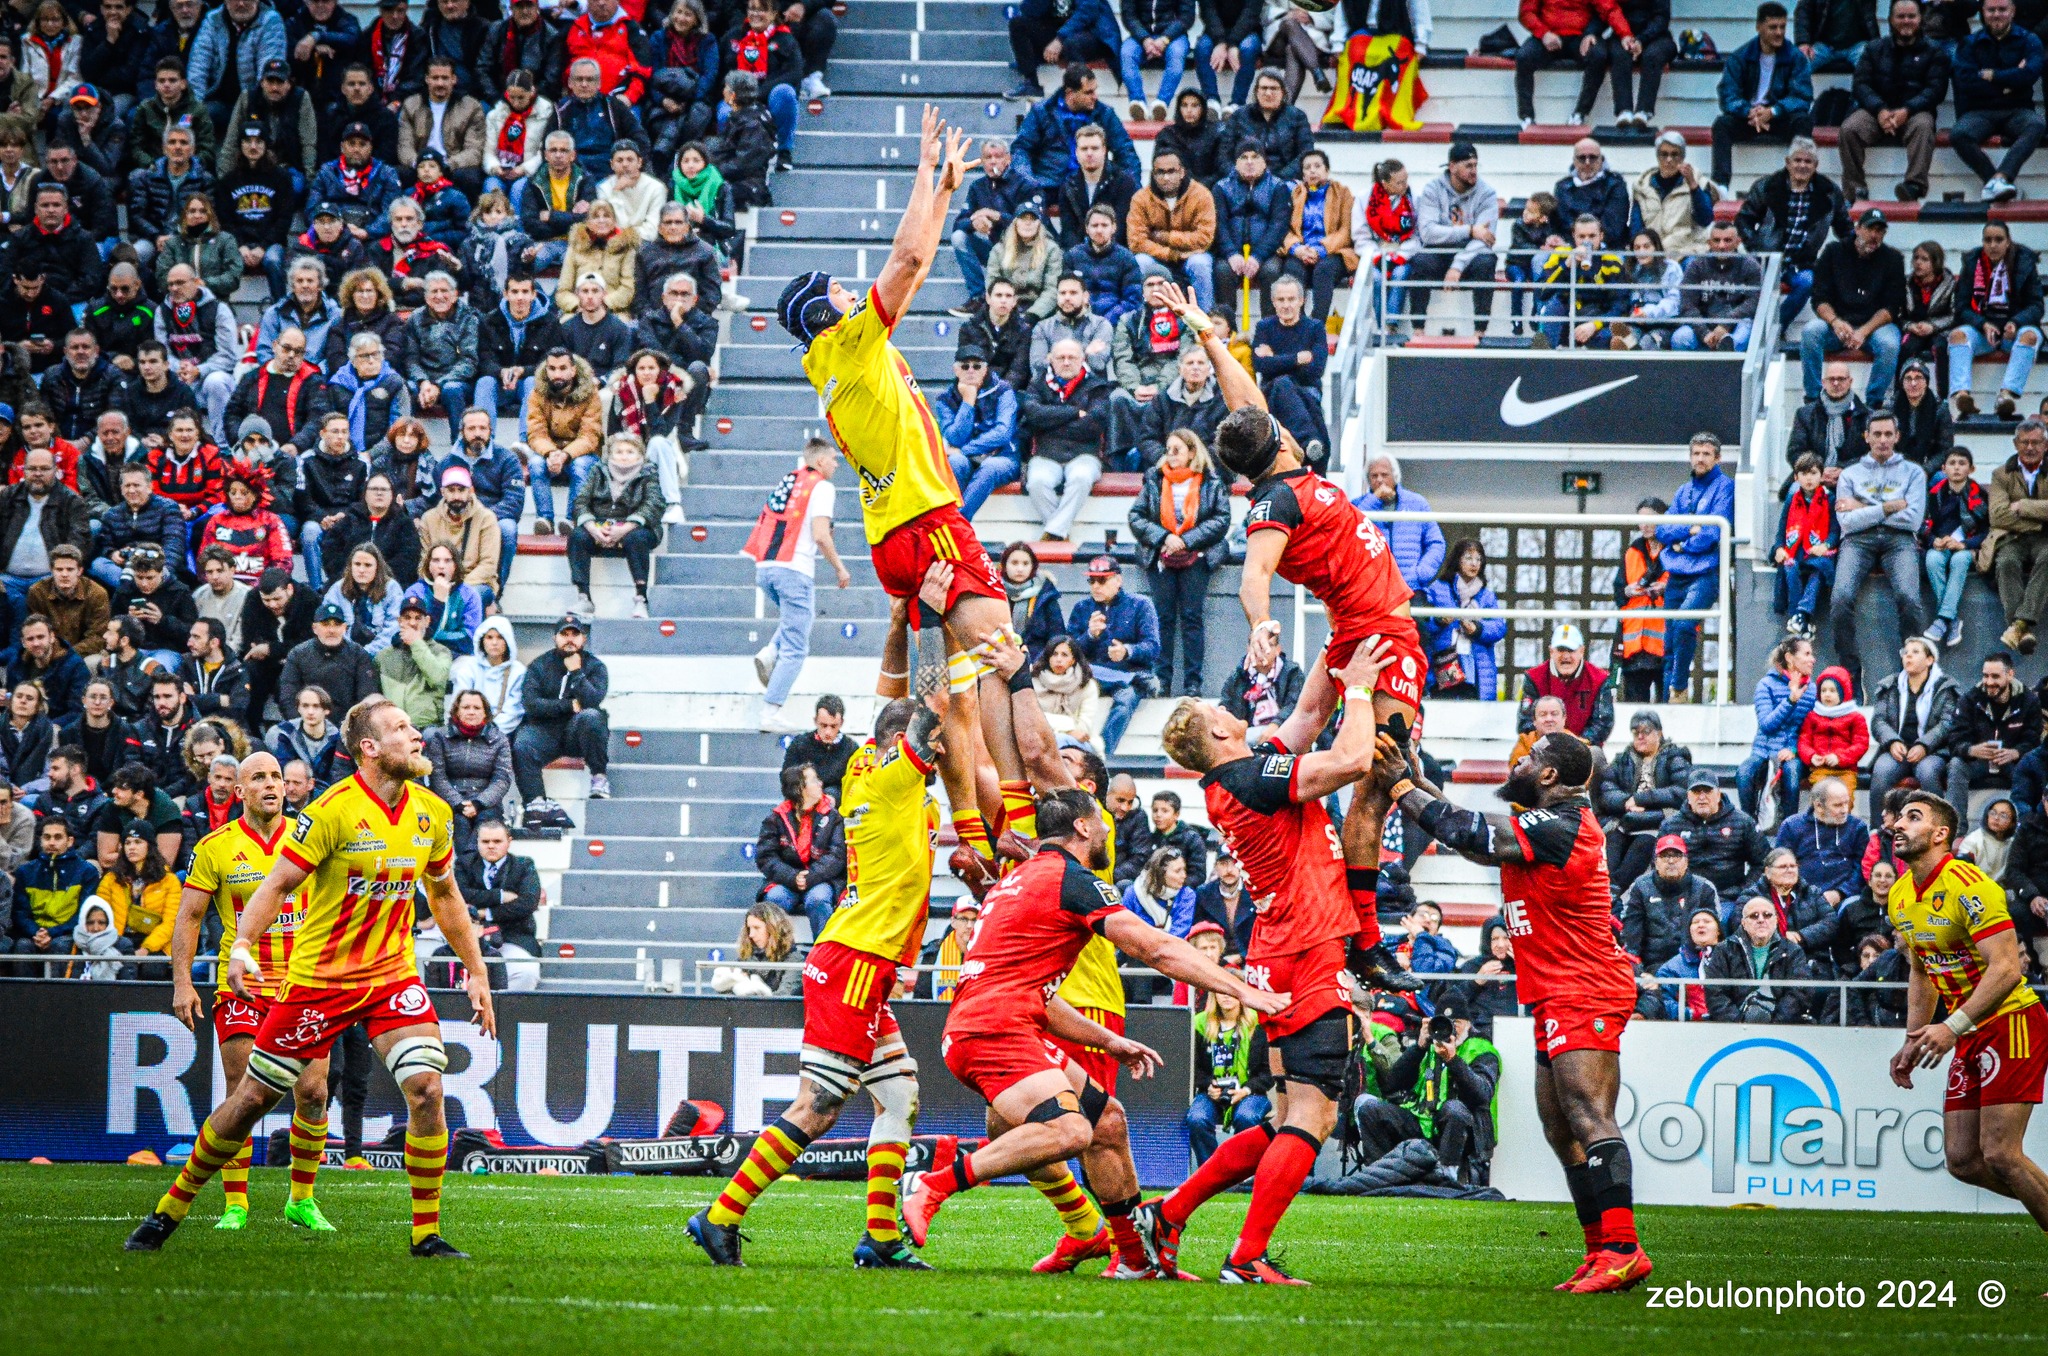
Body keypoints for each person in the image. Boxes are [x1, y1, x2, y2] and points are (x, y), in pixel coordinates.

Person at [124, 696, 496, 1259]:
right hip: (319, 981)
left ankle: (426, 1235)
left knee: (427, 1090)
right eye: (401, 728)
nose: (417, 734)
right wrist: (242, 946)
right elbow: (272, 887)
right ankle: (170, 1209)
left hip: (393, 976)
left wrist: (476, 971)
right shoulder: (331, 812)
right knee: (251, 1098)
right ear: (369, 749)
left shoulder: (433, 812)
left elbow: (445, 895)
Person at [900, 785, 1280, 1277]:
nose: (1107, 829)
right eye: (1101, 821)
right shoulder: (1071, 879)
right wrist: (1241, 988)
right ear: (1081, 827)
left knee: (1108, 1124)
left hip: (996, 1022)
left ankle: (1136, 1258)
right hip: (993, 1031)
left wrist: (1108, 1041)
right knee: (1070, 1129)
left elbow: (1038, 994)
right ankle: (936, 1184)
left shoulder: (1023, 879)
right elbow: (1156, 949)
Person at [1141, 640, 1417, 1281]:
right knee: (1316, 1114)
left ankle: (1171, 1214)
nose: (1229, 705)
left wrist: (1336, 644)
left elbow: (1305, 716)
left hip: (1278, 951)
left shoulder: (1241, 774)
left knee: (1283, 1116)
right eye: (1218, 706)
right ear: (1215, 727)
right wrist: (1361, 687)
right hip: (1309, 948)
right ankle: (1247, 1257)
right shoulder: (1248, 778)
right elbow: (1349, 756)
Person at [1375, 726, 1651, 1289]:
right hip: (1557, 988)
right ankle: (1602, 1250)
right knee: (1560, 1128)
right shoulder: (1546, 824)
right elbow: (1462, 825)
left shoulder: (1564, 823)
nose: (1521, 761)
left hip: (1585, 986)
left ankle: (1623, 1248)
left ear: (1550, 775)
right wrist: (1414, 773)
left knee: (1588, 1116)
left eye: (1533, 757)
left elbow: (1472, 833)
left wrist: (1403, 787)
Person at [688, 693, 948, 1272]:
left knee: (899, 1097)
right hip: (856, 959)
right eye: (933, 742)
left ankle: (879, 1239)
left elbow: (899, 702)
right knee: (820, 1104)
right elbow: (928, 706)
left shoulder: (874, 776)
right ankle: (721, 1216)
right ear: (911, 743)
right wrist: (942, 627)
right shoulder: (887, 778)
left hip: (864, 959)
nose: (941, 748)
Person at [743, 438, 848, 733]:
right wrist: (839, 568)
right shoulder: (822, 487)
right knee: (797, 647)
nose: (836, 464)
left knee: (798, 621)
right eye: (833, 459)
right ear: (820, 462)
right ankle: (770, 710)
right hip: (794, 570)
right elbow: (820, 535)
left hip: (765, 568)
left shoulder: (789, 480)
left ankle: (769, 653)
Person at [1353, 994, 1499, 1180]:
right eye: (1446, 1023)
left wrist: (1453, 1060)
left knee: (1454, 1110)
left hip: (1462, 1129)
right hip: (1424, 1120)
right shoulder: (1429, 1044)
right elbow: (1393, 1083)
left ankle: (1447, 1177)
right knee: (1370, 1109)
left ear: (1469, 1024)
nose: (1451, 1029)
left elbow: (1482, 1094)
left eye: (1457, 1023)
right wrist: (1419, 1046)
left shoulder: (1481, 1049)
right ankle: (1381, 1175)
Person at [1830, 409, 1927, 684]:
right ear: (1866, 437)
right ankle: (1850, 673)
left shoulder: (1914, 473)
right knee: (1839, 600)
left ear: (1897, 437)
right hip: (1857, 539)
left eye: (1888, 434)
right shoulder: (1850, 474)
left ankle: (1912, 674)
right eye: (1877, 434)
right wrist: (1889, 506)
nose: (1882, 440)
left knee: (1909, 599)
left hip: (1900, 540)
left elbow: (1912, 519)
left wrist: (1863, 506)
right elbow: (1847, 522)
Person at [1129, 429, 1228, 696]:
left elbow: (1221, 519)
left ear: (1192, 453)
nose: (1170, 456)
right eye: (1168, 450)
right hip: (1160, 556)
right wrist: (1165, 538)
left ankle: (1193, 683)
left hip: (1197, 557)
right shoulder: (1154, 479)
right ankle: (1161, 680)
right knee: (1162, 619)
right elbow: (1137, 517)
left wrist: (1186, 540)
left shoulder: (1210, 481)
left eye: (1177, 450)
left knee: (1192, 618)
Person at [1837, 0, 1947, 203]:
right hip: (1876, 112)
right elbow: (1860, 85)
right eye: (1901, 16)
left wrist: (1907, 110)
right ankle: (1855, 190)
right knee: (1849, 128)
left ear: (1920, 18)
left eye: (1911, 16)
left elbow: (1935, 90)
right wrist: (1880, 110)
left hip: (1914, 113)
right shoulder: (1873, 49)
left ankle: (1914, 185)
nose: (1906, 21)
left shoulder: (1934, 51)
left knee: (1924, 126)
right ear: (1890, 20)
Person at [1737, 137, 1847, 330]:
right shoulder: (1767, 186)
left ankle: (1776, 326)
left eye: (1808, 161)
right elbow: (1744, 219)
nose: (1802, 166)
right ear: (1788, 163)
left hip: (1801, 262)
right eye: (1797, 160)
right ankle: (1749, 329)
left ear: (1816, 165)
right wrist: (1755, 250)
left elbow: (1845, 228)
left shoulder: (1829, 192)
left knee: (1808, 283)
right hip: (1767, 258)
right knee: (1751, 285)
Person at [1948, 0, 2047, 202]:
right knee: (1959, 134)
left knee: (2037, 125)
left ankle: (2001, 177)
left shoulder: (2029, 40)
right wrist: (2011, 81)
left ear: (2013, 11)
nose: (1996, 14)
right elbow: (1965, 82)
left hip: (2017, 109)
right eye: (1991, 10)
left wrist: (1992, 75)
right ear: (1982, 12)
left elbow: (2030, 74)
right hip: (1980, 111)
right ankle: (1994, 181)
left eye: (2002, 9)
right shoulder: (1970, 43)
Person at [516, 613, 611, 821]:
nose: (569, 639)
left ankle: (599, 776)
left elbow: (592, 700)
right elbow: (531, 704)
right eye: (564, 634)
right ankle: (535, 802)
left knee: (592, 717)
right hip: (545, 730)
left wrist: (577, 672)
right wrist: (567, 705)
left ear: (583, 638)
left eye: (574, 634)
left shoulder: (595, 667)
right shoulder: (539, 666)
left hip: (577, 733)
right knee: (522, 744)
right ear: (555, 638)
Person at [1711, 3, 1814, 190]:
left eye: (1782, 27)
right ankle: (1721, 186)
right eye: (1773, 27)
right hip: (1750, 119)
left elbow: (1802, 97)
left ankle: (1800, 182)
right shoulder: (1741, 57)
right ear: (1759, 27)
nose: (1779, 32)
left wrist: (1773, 111)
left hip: (1779, 118)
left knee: (1803, 121)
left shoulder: (1794, 57)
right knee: (1722, 124)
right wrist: (1749, 111)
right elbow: (1727, 95)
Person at [1948, 222, 2043, 421]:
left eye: (1998, 239)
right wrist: (1981, 323)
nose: (1993, 245)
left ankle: (2006, 395)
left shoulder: (2024, 262)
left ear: (2008, 242)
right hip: (1983, 330)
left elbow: (2036, 306)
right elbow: (1961, 307)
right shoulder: (1972, 262)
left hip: (2014, 329)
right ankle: (1962, 395)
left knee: (2030, 335)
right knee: (1957, 335)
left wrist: (2015, 322)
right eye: (1988, 240)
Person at [1065, 557, 1160, 757]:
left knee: (1125, 701)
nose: (1096, 586)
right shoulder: (1081, 608)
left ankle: (1101, 757)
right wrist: (1089, 636)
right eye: (1092, 581)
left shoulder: (1141, 605)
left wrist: (1127, 651)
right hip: (1095, 674)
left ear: (1118, 580)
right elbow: (1067, 652)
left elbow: (1153, 647)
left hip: (1127, 671)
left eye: (1102, 580)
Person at [1021, 336, 1114, 540]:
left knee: (1081, 477)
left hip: (1085, 454)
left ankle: (1053, 533)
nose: (1065, 362)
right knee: (1036, 481)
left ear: (1082, 359)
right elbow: (1034, 415)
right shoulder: (1037, 385)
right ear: (1050, 360)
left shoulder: (1098, 387)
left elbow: (1093, 424)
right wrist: (1073, 413)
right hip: (1047, 454)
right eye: (1060, 357)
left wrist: (1051, 421)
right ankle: (1060, 533)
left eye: (1071, 357)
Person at [1406, 142, 1500, 334]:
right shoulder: (1433, 189)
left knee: (1487, 262)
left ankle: (1480, 332)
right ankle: (1418, 329)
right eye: (1468, 166)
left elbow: (1485, 239)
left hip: (1470, 255)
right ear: (1452, 167)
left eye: (1475, 165)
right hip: (1440, 251)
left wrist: (1457, 265)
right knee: (1420, 262)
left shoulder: (1487, 193)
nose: (1474, 171)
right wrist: (1470, 230)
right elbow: (1428, 233)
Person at [1597, 711, 1693, 887]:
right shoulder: (1623, 759)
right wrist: (1627, 801)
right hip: (1624, 821)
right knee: (1609, 851)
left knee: (1642, 847)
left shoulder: (1675, 757)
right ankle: (1608, 892)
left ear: (1659, 733)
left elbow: (1681, 791)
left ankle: (1613, 894)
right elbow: (1607, 790)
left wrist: (1642, 799)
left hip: (1657, 821)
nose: (1640, 737)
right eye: (1635, 732)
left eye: (1646, 732)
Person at [1867, 635, 1963, 807]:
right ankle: (1878, 830)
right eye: (1906, 652)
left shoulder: (1945, 687)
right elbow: (1879, 721)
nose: (1908, 656)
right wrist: (1892, 741)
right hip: (1898, 750)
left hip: (1933, 751)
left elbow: (1947, 723)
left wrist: (1924, 745)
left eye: (1915, 652)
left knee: (1928, 772)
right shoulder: (1890, 686)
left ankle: (1936, 826)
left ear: (1929, 660)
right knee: (1881, 771)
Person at [756, 761, 845, 938]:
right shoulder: (776, 818)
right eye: (814, 780)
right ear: (800, 789)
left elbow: (837, 855)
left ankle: (823, 956)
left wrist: (811, 876)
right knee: (775, 899)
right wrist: (792, 877)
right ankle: (778, 956)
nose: (820, 783)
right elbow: (766, 857)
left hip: (821, 880)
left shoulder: (833, 817)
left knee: (818, 899)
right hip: (787, 882)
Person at [933, 345, 1020, 522]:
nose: (971, 370)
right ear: (956, 370)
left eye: (977, 366)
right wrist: (968, 401)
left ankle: (958, 522)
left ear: (986, 369)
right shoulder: (945, 399)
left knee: (990, 467)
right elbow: (954, 436)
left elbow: (1003, 433)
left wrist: (964, 450)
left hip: (1003, 456)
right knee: (955, 462)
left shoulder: (1003, 390)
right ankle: (947, 517)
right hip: (967, 460)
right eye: (965, 366)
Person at [1948, 651, 2040, 818]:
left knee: (2031, 768)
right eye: (1985, 676)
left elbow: (2033, 740)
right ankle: (1957, 831)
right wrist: (1971, 750)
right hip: (1978, 762)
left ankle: (2027, 827)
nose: (1989, 682)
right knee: (1956, 765)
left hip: (2012, 762)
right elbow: (1955, 739)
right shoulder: (1970, 699)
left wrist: (2016, 752)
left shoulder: (2028, 701)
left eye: (1995, 676)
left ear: (2010, 675)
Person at [1513, 0, 1633, 128]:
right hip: (1548, 35)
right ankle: (1527, 116)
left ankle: (1580, 113)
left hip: (1580, 36)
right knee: (1523, 56)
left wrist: (1625, 34)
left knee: (1598, 55)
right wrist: (1543, 33)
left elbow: (1609, 8)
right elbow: (1526, 12)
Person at [1736, 636, 1817, 825]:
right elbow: (1767, 725)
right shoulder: (1766, 685)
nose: (1812, 659)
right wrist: (1790, 700)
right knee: (1744, 773)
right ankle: (1750, 826)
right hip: (1763, 751)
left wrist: (1794, 750)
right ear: (1790, 658)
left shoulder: (1812, 690)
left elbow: (1811, 729)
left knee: (1792, 771)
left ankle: (1788, 828)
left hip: (1793, 752)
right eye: (1806, 654)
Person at [524, 348, 604, 535]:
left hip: (582, 453)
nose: (557, 374)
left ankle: (572, 518)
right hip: (550, 451)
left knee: (580, 466)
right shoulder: (537, 393)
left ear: (573, 370)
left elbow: (590, 436)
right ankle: (545, 519)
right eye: (552, 368)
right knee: (535, 463)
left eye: (562, 368)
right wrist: (551, 453)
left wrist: (566, 455)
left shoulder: (590, 393)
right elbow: (536, 432)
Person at [424, 687, 511, 858]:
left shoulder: (499, 739)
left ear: (485, 713)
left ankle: (473, 872)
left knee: (485, 826)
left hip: (487, 802)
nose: (471, 712)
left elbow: (502, 779)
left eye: (477, 708)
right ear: (456, 711)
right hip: (451, 801)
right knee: (460, 825)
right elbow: (437, 777)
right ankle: (466, 872)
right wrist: (459, 803)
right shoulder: (440, 737)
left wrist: (478, 803)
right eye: (466, 707)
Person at [1127, 148, 1216, 314]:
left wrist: (1167, 237)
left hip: (1191, 256)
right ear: (1153, 174)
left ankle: (1205, 321)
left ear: (1182, 172)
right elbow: (1137, 242)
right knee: (1140, 262)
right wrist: (1170, 254)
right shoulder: (1141, 198)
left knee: (1201, 264)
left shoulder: (1201, 195)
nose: (1166, 177)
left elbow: (1204, 237)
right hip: (1156, 257)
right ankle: (1142, 319)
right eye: (1160, 172)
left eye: (1171, 171)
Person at [1702, 891, 1815, 1021]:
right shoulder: (1724, 950)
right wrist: (1740, 1023)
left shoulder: (1793, 951)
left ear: (1776, 920)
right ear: (1743, 923)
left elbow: (1800, 992)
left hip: (1782, 1029)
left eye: (1767, 915)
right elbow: (1715, 993)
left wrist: (1774, 1023)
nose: (1761, 920)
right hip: (1733, 1030)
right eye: (1754, 916)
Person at [455, 818, 539, 992]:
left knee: (527, 972)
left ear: (509, 842)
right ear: (477, 842)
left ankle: (504, 1015)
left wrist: (486, 913)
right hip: (468, 940)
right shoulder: (464, 864)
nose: (491, 846)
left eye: (497, 841)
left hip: (512, 938)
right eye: (485, 841)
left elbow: (527, 902)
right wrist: (500, 896)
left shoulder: (524, 865)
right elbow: (460, 894)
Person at [1617, 833, 1721, 973]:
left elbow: (1713, 938)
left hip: (1695, 966)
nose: (1671, 861)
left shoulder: (1704, 888)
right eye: (1665, 856)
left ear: (1686, 861)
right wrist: (1640, 973)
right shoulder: (1640, 888)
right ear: (1655, 861)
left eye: (1677, 856)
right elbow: (1631, 937)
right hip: (1652, 967)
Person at [1660, 771, 1773, 897]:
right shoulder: (1670, 826)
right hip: (1685, 898)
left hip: (1730, 898)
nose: (1702, 797)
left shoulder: (1742, 822)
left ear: (1718, 794)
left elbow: (1763, 862)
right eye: (1696, 792)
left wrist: (1744, 891)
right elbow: (1659, 864)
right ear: (1688, 796)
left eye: (1707, 791)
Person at [1212, 140, 1291, 318]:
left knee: (1271, 272)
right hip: (1230, 253)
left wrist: (1258, 256)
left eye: (1255, 157)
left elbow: (1278, 226)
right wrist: (1231, 253)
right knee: (1222, 272)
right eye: (1243, 157)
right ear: (1236, 162)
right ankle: (1227, 332)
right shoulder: (1221, 188)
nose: (1249, 162)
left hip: (1266, 253)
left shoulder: (1278, 187)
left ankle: (1269, 331)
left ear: (1264, 162)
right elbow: (1219, 224)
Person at [1921, 446, 1986, 648]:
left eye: (1962, 463)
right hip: (1941, 545)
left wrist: (1965, 544)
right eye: (1952, 463)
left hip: (1967, 545)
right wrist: (1934, 540)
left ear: (1971, 469)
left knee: (1960, 559)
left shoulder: (1979, 494)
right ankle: (1952, 619)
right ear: (1943, 468)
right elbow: (1923, 525)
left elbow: (1987, 530)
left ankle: (1942, 619)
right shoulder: (1934, 494)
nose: (1956, 468)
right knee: (1932, 559)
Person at [1994, 418, 2048, 655]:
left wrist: (2023, 506)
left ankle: (2018, 625)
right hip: (2012, 537)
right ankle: (2022, 629)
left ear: (2046, 445)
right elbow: (1998, 516)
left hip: (2045, 540)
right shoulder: (2000, 474)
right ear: (2015, 444)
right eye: (2024, 442)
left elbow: (2012, 512)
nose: (2030, 447)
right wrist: (2040, 518)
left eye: (2036, 442)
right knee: (2006, 562)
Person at [781, 695, 852, 804]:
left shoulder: (850, 748)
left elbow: (852, 786)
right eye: (823, 725)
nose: (828, 732)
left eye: (833, 726)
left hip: (835, 810)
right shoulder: (799, 744)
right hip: (801, 804)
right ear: (815, 721)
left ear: (841, 723)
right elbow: (786, 778)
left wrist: (834, 797)